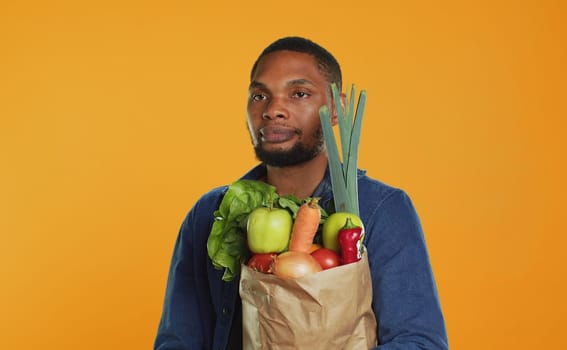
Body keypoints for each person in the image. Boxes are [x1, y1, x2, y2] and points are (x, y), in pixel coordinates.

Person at [154, 36, 448, 350]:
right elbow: (178, 341)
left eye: (298, 93)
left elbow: (419, 342)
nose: (273, 110)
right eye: (259, 95)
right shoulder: (211, 212)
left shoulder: (381, 209)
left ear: (337, 110)